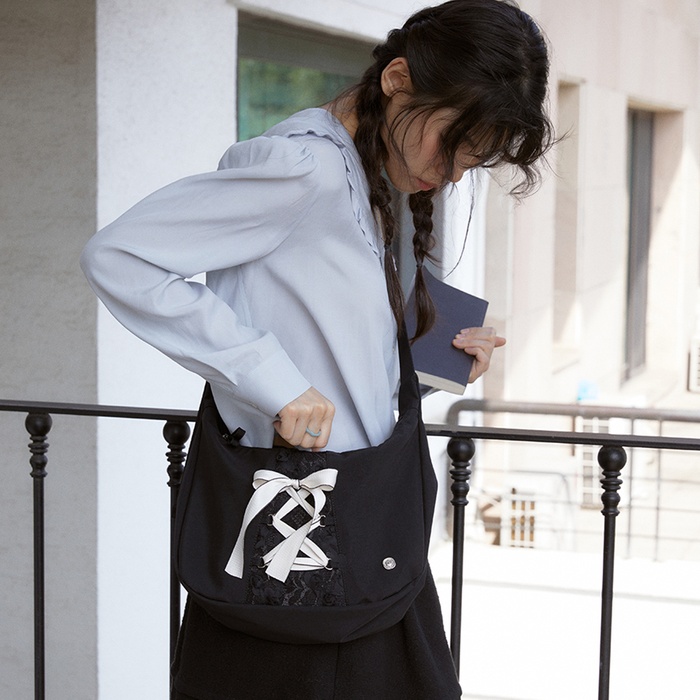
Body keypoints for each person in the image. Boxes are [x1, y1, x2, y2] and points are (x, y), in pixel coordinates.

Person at [81, 0, 554, 697]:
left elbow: (328, 346)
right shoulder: (305, 168)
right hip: (302, 543)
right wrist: (270, 379)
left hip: (358, 528)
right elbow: (121, 256)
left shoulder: (359, 175)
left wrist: (435, 367)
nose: (455, 172)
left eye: (474, 157)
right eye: (456, 142)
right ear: (397, 79)